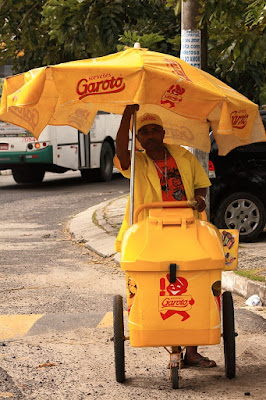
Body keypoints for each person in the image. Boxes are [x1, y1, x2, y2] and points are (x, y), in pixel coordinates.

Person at [114, 104, 216, 368]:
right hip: (149, 233)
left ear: (162, 132)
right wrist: (127, 115)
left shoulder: (183, 156)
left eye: (154, 130)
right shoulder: (136, 161)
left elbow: (201, 185)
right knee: (155, 286)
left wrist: (201, 200)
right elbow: (120, 153)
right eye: (143, 132)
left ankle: (191, 351)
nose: (149, 136)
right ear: (138, 139)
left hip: (186, 229)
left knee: (192, 282)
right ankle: (158, 331)